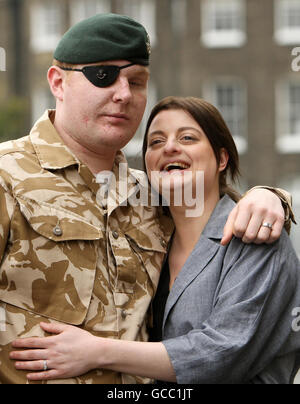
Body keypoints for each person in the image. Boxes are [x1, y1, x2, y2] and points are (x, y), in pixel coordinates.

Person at [0, 14, 294, 384]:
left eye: (136, 81)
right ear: (58, 82)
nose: (123, 94)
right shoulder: (7, 177)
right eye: (103, 76)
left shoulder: (149, 196)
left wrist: (272, 197)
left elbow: (211, 203)